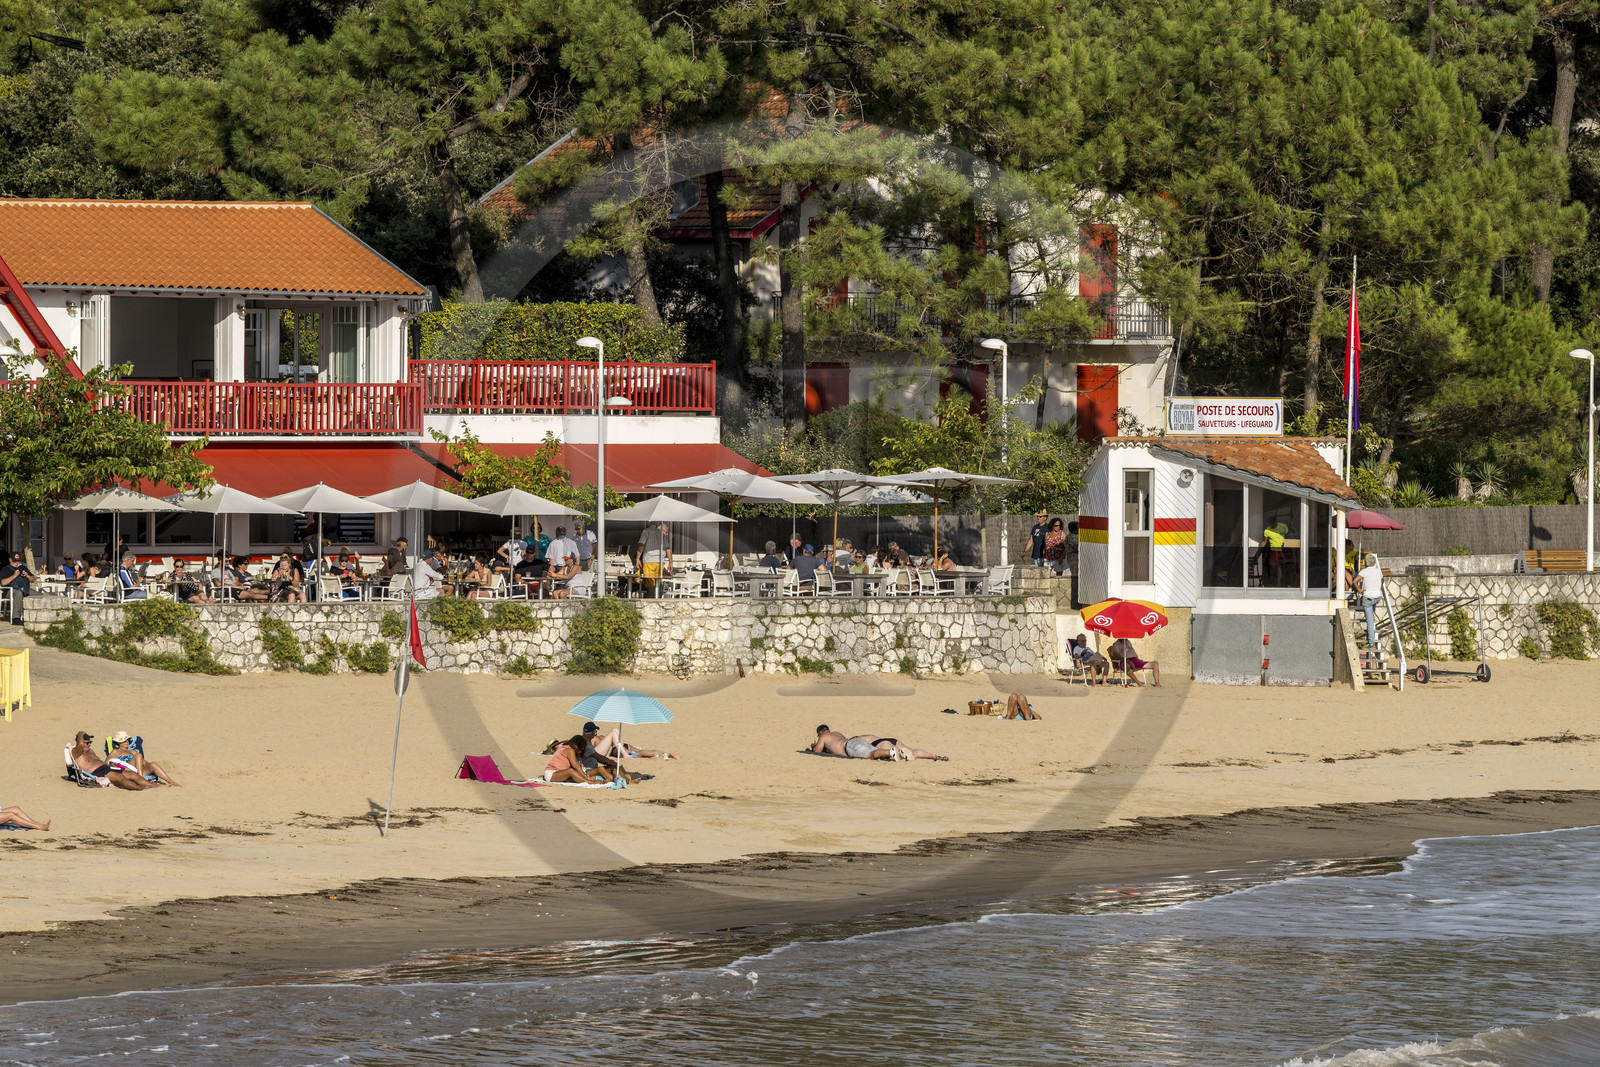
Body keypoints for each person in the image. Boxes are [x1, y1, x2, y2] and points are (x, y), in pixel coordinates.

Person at [69, 731, 153, 790]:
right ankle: (138, 788)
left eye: (90, 742)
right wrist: (81, 733)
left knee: (132, 774)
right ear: (81, 743)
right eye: (87, 743)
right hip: (97, 772)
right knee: (119, 777)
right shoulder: (76, 752)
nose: (89, 744)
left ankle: (152, 785)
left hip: (106, 768)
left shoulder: (90, 751)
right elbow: (79, 744)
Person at [106, 730, 181, 787]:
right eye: (124, 740)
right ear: (119, 742)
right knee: (138, 755)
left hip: (139, 771)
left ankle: (171, 782)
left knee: (152, 764)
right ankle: (140, 780)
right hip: (127, 771)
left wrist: (151, 768)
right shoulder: (116, 751)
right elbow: (105, 763)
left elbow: (144, 762)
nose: (127, 741)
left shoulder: (133, 752)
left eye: (128, 740)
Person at [582, 720, 677, 762]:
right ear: (594, 731)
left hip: (612, 750)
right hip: (615, 748)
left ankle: (663, 754)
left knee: (639, 753)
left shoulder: (593, 739)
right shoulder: (597, 738)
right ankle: (664, 753)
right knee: (639, 751)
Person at [538, 737, 606, 784]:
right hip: (551, 774)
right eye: (582, 747)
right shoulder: (569, 750)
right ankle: (591, 782)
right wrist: (586, 777)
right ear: (578, 746)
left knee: (576, 778)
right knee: (571, 771)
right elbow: (575, 766)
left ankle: (592, 781)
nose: (582, 750)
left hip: (557, 773)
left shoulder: (568, 748)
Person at [845, 733, 946, 761]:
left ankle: (901, 755)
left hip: (879, 742)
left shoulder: (859, 739)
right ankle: (932, 755)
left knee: (893, 752)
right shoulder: (868, 735)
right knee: (911, 751)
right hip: (890, 739)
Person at [1356, 552, 1385, 648]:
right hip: (1377, 597)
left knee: (1369, 623)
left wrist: (1359, 590)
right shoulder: (1378, 571)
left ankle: (1371, 643)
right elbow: (1382, 580)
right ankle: (1372, 614)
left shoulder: (1364, 571)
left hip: (1368, 598)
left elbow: (1354, 581)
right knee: (1372, 606)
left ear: (1365, 562)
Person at [636, 523, 672, 597]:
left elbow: (641, 545)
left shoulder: (646, 531)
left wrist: (637, 558)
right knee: (656, 585)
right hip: (660, 562)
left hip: (649, 561)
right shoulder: (662, 534)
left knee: (650, 586)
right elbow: (668, 549)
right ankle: (656, 602)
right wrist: (671, 562)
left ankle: (650, 604)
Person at [1, 551, 32, 622]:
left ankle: (36, 616)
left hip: (25, 589)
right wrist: (14, 575)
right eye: (14, 561)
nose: (16, 563)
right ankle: (16, 618)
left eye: (18, 561)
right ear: (10, 560)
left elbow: (33, 579)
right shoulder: (5, 569)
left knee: (38, 595)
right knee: (18, 593)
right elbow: (3, 583)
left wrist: (28, 576)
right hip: (10, 591)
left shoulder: (23, 568)